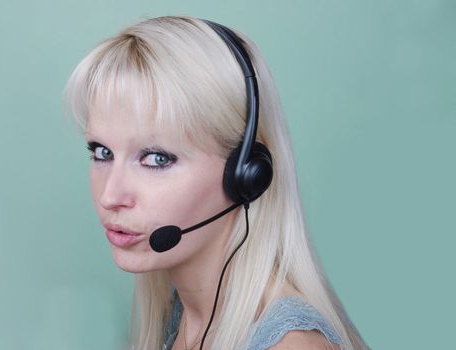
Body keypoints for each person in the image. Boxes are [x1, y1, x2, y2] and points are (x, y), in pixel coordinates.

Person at [65, 16, 368, 350]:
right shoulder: (183, 315)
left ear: (246, 175)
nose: (111, 196)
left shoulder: (291, 345)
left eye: (157, 158)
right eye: (102, 152)